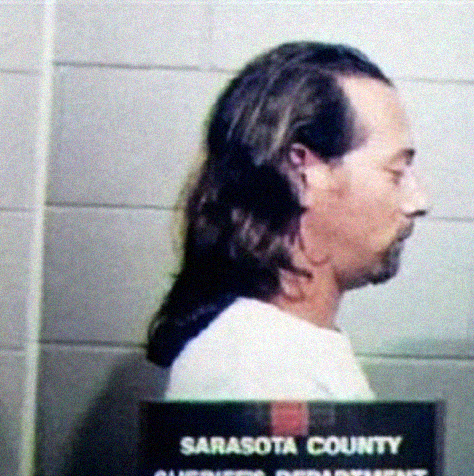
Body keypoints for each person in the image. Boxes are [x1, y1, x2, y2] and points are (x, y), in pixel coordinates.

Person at [146, 42, 428, 401]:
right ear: (302, 174)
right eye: (396, 173)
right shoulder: (254, 372)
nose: (419, 202)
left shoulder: (284, 352)